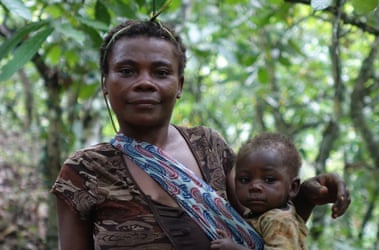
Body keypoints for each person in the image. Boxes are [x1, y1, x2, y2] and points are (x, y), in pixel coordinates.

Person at [51, 19, 351, 250]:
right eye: (127, 71)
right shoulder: (83, 172)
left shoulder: (209, 147)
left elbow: (262, 232)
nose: (144, 83)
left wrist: (306, 199)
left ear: (179, 85)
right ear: (105, 83)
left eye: (160, 72)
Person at [211, 132, 308, 250]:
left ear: (293, 187)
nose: (255, 187)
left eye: (269, 180)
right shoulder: (257, 213)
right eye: (245, 179)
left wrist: (234, 248)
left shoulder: (279, 221)